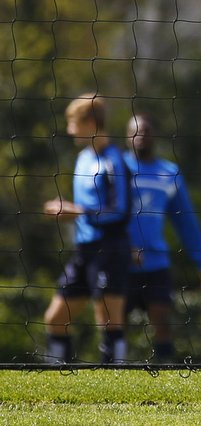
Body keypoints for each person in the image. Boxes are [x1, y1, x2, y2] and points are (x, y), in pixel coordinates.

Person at [42, 93, 132, 364]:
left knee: (108, 321)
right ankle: (57, 378)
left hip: (110, 248)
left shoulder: (114, 161)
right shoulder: (82, 159)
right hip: (84, 249)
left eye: (73, 122)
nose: (69, 130)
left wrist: (76, 211)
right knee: (56, 318)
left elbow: (121, 211)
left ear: (91, 122)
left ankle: (116, 383)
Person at [124, 113, 201, 363]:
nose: (140, 136)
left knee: (162, 320)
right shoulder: (116, 169)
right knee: (113, 324)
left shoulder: (169, 173)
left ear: (154, 135)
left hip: (156, 263)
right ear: (126, 137)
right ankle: (110, 372)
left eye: (145, 131)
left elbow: (186, 222)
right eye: (135, 131)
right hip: (120, 262)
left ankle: (165, 370)